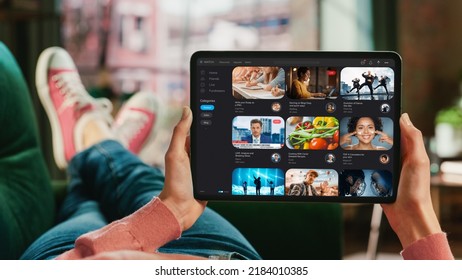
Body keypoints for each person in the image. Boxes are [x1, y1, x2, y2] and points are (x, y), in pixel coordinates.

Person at [0, 43, 454, 260]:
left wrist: (173, 212)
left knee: (92, 202)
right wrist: (414, 217)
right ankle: (101, 143)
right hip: (221, 260)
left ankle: (94, 138)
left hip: (89, 261)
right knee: (132, 182)